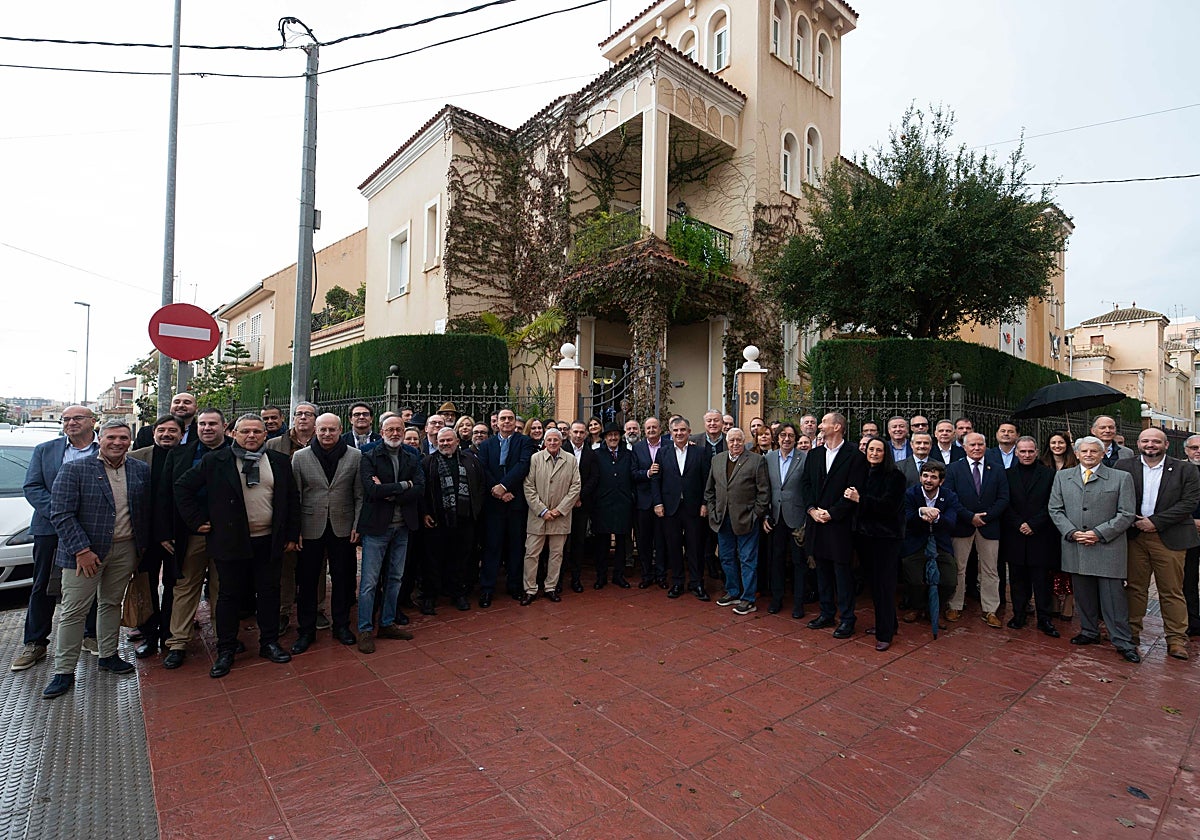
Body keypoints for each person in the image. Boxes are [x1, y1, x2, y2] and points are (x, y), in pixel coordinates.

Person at [174, 413, 299, 678]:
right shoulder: (215, 461)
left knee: (269, 593)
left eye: (257, 431)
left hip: (268, 541)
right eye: (245, 432)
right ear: (234, 434)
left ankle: (269, 643)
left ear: (266, 435)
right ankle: (226, 650)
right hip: (231, 542)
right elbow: (182, 487)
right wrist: (197, 521)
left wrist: (290, 534)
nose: (251, 436)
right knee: (229, 597)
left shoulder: (278, 461)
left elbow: (291, 500)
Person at [41, 420, 151, 699]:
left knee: (111, 603)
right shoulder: (75, 469)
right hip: (84, 554)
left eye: (123, 438)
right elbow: (61, 513)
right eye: (111, 437)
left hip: (125, 549)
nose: (117, 442)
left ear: (130, 440)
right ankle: (64, 671)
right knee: (74, 611)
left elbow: (143, 511)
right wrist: (81, 551)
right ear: (99, 439)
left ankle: (108, 655)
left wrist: (140, 549)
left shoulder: (140, 469)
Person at [11, 405, 99, 673]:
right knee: (43, 585)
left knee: (92, 582)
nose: (71, 423)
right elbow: (33, 487)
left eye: (77, 418)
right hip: (51, 528)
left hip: (92, 528)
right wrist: (62, 513)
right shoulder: (46, 450)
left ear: (93, 422)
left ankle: (91, 635)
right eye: (66, 419)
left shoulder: (104, 448)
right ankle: (35, 642)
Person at [1048, 436, 1140, 663]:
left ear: (1102, 454)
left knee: (1113, 598)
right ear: (1077, 454)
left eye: (1094, 451)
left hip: (1107, 547)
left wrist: (1098, 534)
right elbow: (1055, 509)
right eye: (1084, 451)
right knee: (1083, 594)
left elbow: (1127, 513)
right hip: (1075, 545)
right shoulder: (1062, 477)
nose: (1089, 455)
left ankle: (1123, 641)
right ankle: (1089, 631)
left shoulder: (1120, 478)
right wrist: (1072, 532)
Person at [1113, 427, 1200, 660]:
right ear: (1138, 443)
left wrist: (1155, 522)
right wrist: (1135, 521)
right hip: (1134, 536)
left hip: (1170, 538)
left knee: (1172, 590)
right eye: (1145, 441)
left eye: (1156, 441)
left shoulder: (1186, 470)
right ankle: (1131, 634)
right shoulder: (1124, 467)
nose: (1150, 445)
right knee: (1134, 588)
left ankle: (1176, 639)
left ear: (1166, 445)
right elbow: (1115, 498)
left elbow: (1189, 503)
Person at [156, 408, 231, 670]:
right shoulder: (179, 454)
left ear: (224, 426)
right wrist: (164, 531)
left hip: (227, 534)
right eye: (202, 424)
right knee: (185, 587)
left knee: (222, 589)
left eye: (213, 424)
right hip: (190, 534)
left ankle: (225, 638)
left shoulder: (235, 451)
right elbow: (165, 494)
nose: (207, 428)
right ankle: (177, 643)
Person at [291, 413, 363, 653]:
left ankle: (341, 626)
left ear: (340, 429)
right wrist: (296, 530)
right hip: (311, 526)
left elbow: (359, 495)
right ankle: (306, 630)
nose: (327, 434)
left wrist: (357, 525)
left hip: (343, 527)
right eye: (322, 430)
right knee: (308, 581)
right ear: (315, 430)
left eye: (332, 429)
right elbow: (296, 496)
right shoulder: (300, 458)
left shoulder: (355, 456)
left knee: (343, 579)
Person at [356, 415, 424, 652]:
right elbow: (372, 490)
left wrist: (392, 491)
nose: (395, 433)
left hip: (403, 526)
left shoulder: (412, 455)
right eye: (390, 429)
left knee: (396, 578)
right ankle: (365, 628)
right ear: (381, 431)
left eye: (399, 429)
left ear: (404, 431)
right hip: (377, 528)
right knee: (369, 582)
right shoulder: (369, 455)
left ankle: (386, 623)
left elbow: (420, 489)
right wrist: (405, 486)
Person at [801, 413, 869, 637]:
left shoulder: (855, 456)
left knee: (842, 573)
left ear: (837, 426)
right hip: (817, 523)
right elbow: (807, 485)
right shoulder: (814, 454)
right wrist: (811, 510)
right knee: (822, 571)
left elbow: (854, 490)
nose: (819, 426)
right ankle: (827, 612)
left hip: (839, 525)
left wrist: (831, 513)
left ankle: (848, 618)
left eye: (823, 422)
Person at [127, 415, 184, 658]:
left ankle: (170, 634)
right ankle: (150, 634)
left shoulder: (188, 456)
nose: (167, 434)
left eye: (173, 430)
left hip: (177, 536)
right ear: (154, 433)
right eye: (162, 430)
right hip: (146, 537)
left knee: (174, 585)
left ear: (182, 434)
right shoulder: (136, 459)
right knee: (147, 585)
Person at [943, 432, 1010, 628]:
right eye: (972, 445)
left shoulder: (997, 470)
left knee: (990, 570)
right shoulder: (953, 469)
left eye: (980, 444)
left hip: (989, 527)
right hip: (962, 525)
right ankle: (955, 605)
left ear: (985, 446)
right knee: (959, 568)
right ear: (964, 447)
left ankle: (990, 609)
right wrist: (969, 516)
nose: (976, 448)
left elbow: (1003, 498)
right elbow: (950, 496)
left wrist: (986, 517)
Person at [846, 437, 906, 651]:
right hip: (864, 537)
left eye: (878, 450)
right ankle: (890, 624)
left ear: (885, 453)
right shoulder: (863, 473)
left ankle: (885, 633)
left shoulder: (895, 476)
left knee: (885, 586)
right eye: (871, 449)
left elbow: (888, 507)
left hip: (886, 539)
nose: (874, 453)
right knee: (874, 584)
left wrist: (860, 499)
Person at [705, 427, 770, 615]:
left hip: (746, 520)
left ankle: (748, 598)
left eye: (738, 440)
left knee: (747, 559)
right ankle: (733, 591)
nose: (735, 444)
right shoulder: (717, 460)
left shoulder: (757, 461)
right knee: (726, 558)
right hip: (722, 519)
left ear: (744, 441)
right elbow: (710, 490)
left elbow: (763, 493)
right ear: (726, 441)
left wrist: (755, 514)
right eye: (731, 440)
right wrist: (712, 511)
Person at [1000, 436, 1060, 637]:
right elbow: (1004, 502)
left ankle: (1044, 619)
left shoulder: (1050, 475)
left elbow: (1052, 504)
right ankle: (1019, 615)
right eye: (1022, 451)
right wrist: (1019, 524)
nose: (1026, 455)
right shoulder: (1006, 475)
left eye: (1030, 451)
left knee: (1042, 581)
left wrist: (1033, 524)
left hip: (1040, 534)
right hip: (1015, 534)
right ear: (1016, 453)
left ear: (1036, 452)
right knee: (1017, 579)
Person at [267, 402, 318, 632]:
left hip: (316, 512)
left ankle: (316, 609)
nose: (303, 418)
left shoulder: (325, 441)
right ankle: (282, 611)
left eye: (309, 414)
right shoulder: (275, 444)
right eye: (299, 414)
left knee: (315, 563)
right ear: (293, 418)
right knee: (285, 565)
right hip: (284, 512)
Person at [475, 408, 534, 605]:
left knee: (516, 546)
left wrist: (504, 486)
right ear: (496, 423)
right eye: (503, 419)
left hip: (516, 501)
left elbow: (523, 465)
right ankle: (487, 589)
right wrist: (496, 490)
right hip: (493, 504)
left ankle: (515, 586)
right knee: (492, 546)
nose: (507, 421)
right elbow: (483, 469)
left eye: (510, 418)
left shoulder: (524, 442)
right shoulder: (487, 445)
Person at [421, 427, 484, 611]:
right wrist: (425, 512)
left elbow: (480, 486)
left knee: (461, 559)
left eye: (449, 440)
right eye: (442, 441)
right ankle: (430, 596)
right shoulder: (427, 462)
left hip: (464, 520)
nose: (445, 444)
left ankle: (458, 594)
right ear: (436, 442)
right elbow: (421, 491)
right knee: (432, 560)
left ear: (457, 442)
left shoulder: (470, 461)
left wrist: (475, 510)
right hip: (436, 520)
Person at [519, 428, 581, 604]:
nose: (553, 443)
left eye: (556, 440)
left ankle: (551, 587)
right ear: (544, 442)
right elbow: (528, 486)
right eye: (549, 440)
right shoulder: (535, 459)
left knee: (556, 554)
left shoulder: (570, 460)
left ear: (561, 441)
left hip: (560, 516)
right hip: (538, 516)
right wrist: (542, 510)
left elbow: (576, 486)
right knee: (531, 553)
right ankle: (530, 589)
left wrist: (560, 510)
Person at [655, 416, 710, 601]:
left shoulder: (700, 452)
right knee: (674, 546)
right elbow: (657, 480)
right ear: (670, 433)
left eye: (683, 430)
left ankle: (697, 582)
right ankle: (677, 582)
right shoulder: (662, 453)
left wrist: (705, 503)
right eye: (675, 430)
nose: (679, 433)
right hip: (670, 508)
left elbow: (706, 481)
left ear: (689, 432)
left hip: (694, 508)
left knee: (695, 547)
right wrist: (658, 503)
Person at [900, 460, 959, 627]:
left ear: (941, 481)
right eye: (925, 476)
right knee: (914, 579)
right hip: (915, 543)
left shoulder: (949, 496)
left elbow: (951, 522)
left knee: (949, 581)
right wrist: (921, 512)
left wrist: (937, 516)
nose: (928, 480)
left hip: (940, 544)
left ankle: (934, 609)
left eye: (933, 477)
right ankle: (916, 607)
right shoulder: (911, 494)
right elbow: (906, 517)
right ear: (920, 477)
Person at [764, 423, 806, 617]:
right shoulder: (768, 458)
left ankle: (798, 603)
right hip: (776, 516)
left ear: (796, 438)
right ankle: (777, 599)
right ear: (777, 437)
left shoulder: (804, 458)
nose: (787, 439)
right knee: (776, 559)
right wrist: (765, 514)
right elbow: (764, 488)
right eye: (783, 435)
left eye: (790, 435)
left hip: (797, 517)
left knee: (799, 562)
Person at [592, 422, 635, 589]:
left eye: (616, 434)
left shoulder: (628, 454)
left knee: (622, 543)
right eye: (609, 435)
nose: (613, 437)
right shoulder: (596, 454)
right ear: (604, 438)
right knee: (601, 543)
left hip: (623, 504)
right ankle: (601, 576)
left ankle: (619, 575)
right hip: (602, 504)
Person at [563, 421, 600, 593]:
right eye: (575, 431)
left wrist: (579, 496)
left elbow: (593, 478)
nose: (578, 435)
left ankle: (576, 579)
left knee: (578, 542)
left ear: (586, 434)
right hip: (561, 504)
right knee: (560, 543)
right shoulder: (561, 449)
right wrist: (568, 499)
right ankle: (558, 579)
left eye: (581, 432)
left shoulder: (591, 454)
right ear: (570, 432)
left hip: (581, 504)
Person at [631, 417, 667, 588]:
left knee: (661, 541)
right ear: (644, 431)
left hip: (663, 501)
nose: (651, 430)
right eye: (648, 428)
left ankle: (661, 575)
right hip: (643, 502)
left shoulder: (668, 445)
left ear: (660, 429)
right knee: (644, 541)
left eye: (654, 427)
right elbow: (632, 473)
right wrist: (647, 473)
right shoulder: (637, 449)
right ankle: (646, 575)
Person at [1183, 434, 1200, 637]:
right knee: (1188, 579)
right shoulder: (1179, 471)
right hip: (1187, 531)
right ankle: (1192, 621)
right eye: (1194, 447)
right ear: (1186, 450)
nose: (1198, 451)